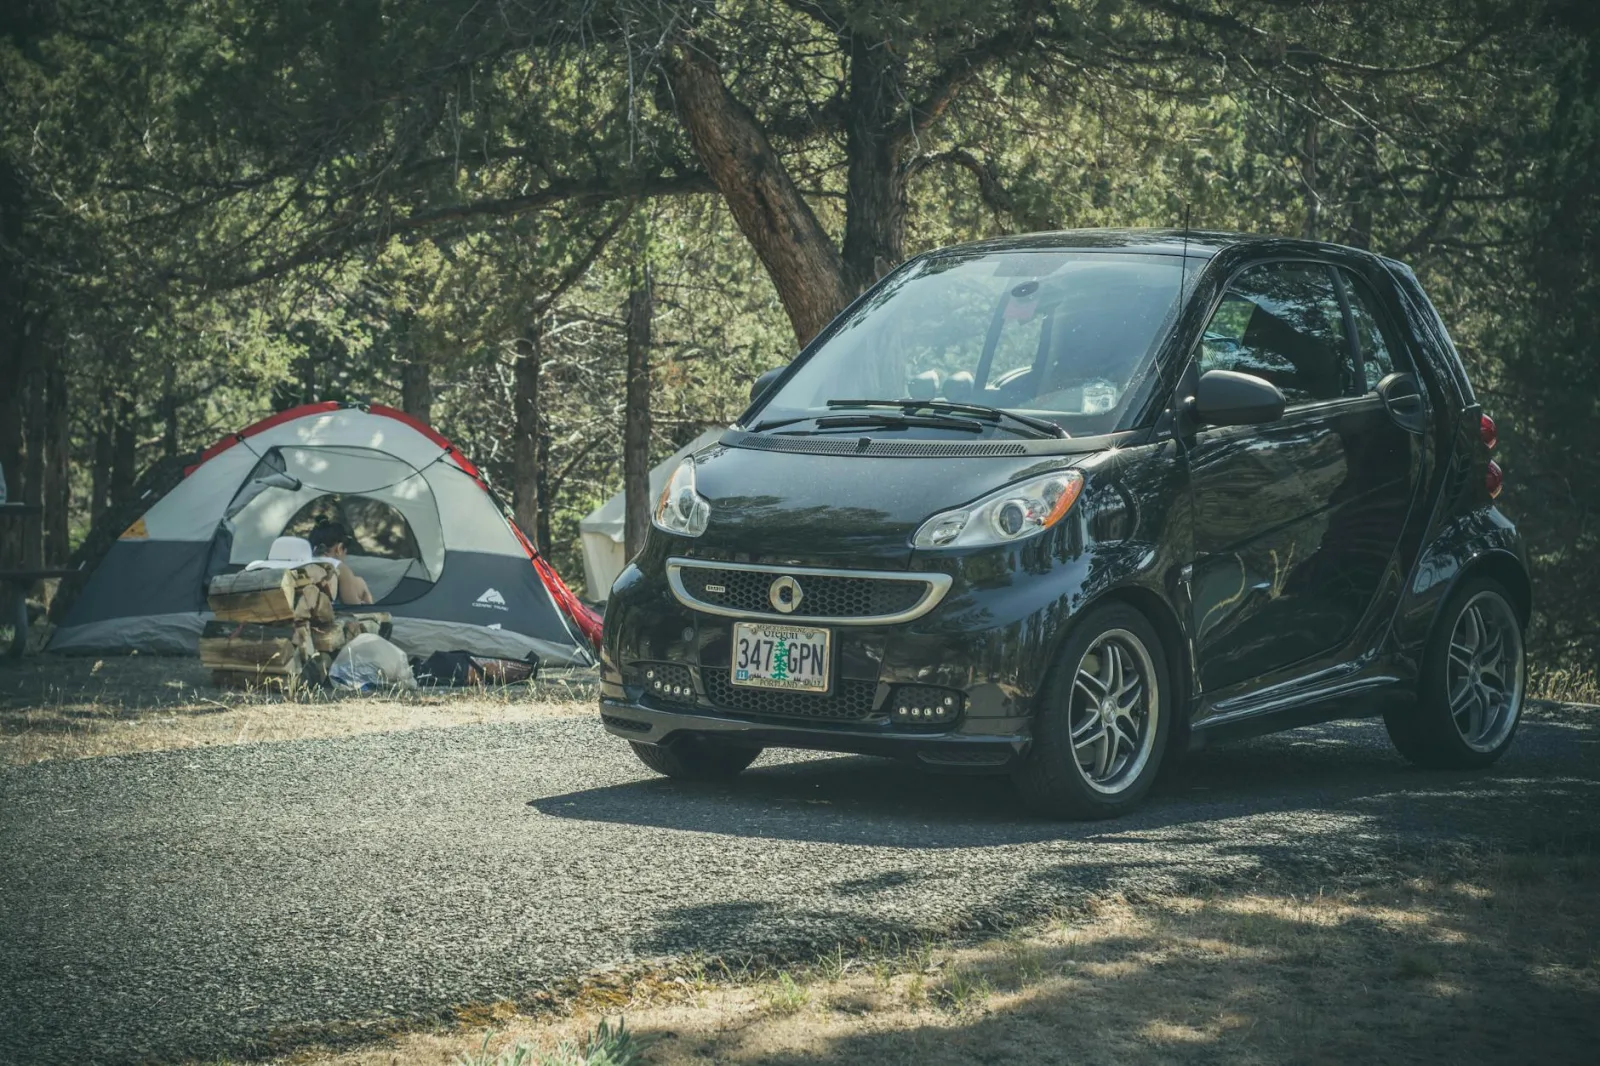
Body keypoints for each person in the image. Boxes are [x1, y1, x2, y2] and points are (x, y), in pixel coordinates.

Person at [307, 520, 374, 605]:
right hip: (324, 615)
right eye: (345, 551)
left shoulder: (304, 562)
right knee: (360, 582)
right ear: (339, 548)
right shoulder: (339, 567)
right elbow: (352, 606)